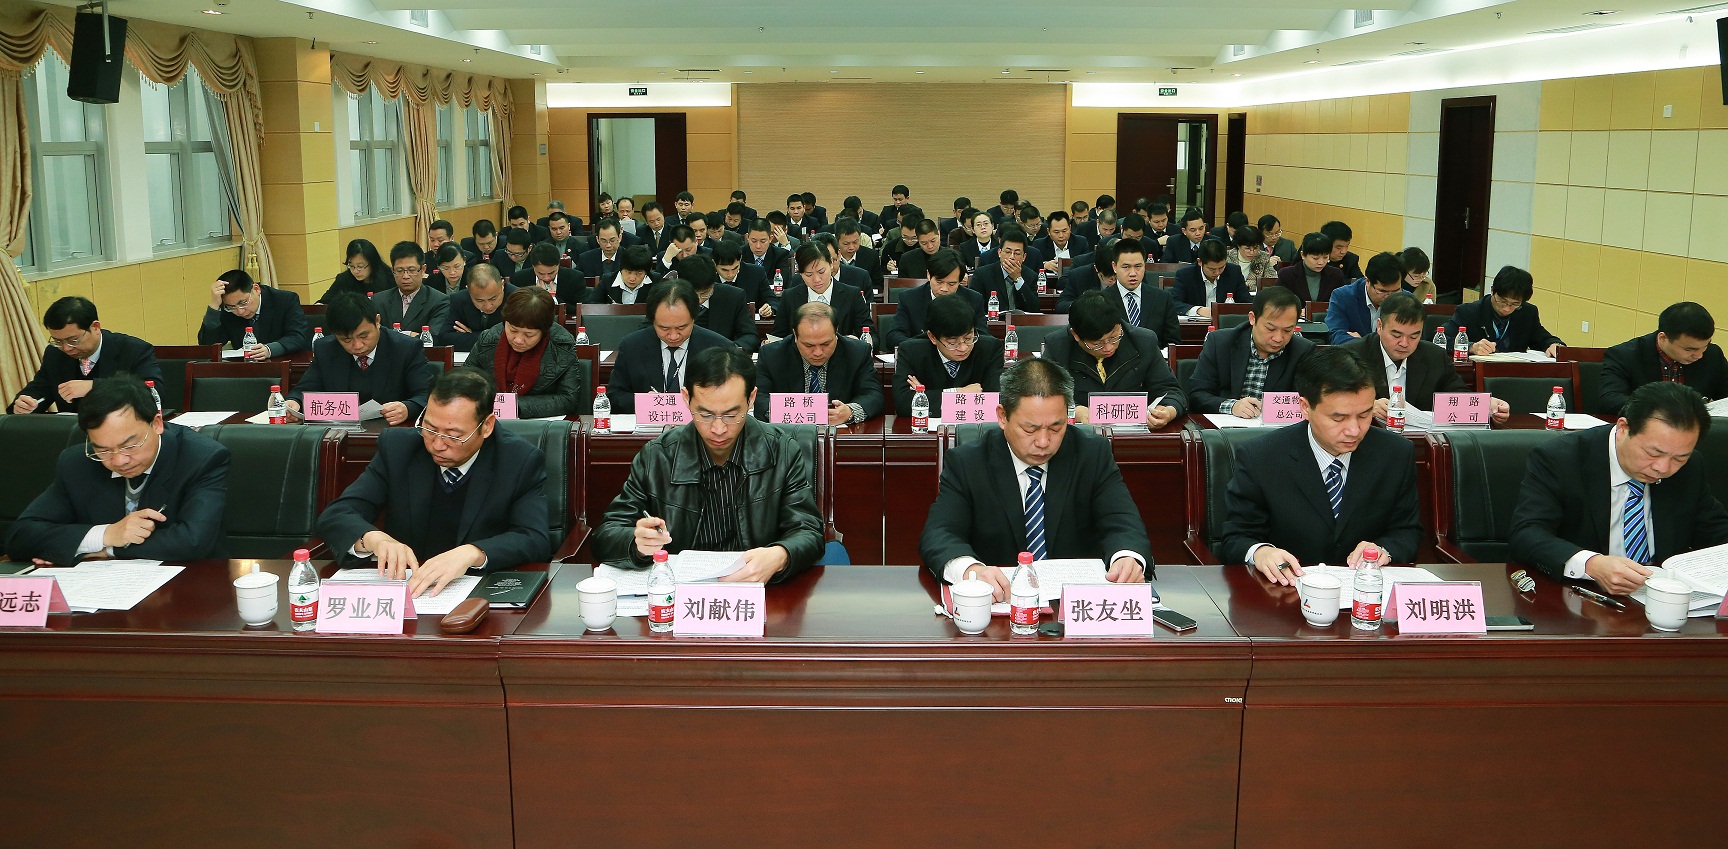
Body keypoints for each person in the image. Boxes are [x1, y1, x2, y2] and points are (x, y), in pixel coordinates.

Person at [918, 357, 1152, 600]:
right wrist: (971, 570)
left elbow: (1122, 521)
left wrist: (1127, 557)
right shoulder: (968, 463)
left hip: (1075, 606)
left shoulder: (1092, 455)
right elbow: (940, 533)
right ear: (1002, 416)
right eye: (1030, 429)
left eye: (1056, 428)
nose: (1043, 441)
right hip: (999, 603)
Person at [316, 369, 553, 598]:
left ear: (487, 426)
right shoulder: (399, 449)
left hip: (479, 596)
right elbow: (338, 514)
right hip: (409, 591)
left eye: (453, 435)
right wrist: (373, 539)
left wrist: (474, 553)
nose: (437, 445)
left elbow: (534, 538)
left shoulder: (519, 460)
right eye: (429, 429)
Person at [594, 347, 825, 581]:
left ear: (751, 399)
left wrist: (780, 555)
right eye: (705, 415)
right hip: (683, 589)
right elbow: (607, 534)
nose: (718, 428)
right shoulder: (657, 457)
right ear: (686, 398)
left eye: (731, 415)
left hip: (758, 587)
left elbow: (808, 531)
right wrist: (636, 543)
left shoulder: (782, 451)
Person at [1219, 347, 1424, 583]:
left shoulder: (1395, 453)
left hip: (1364, 588)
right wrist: (1261, 552)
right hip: (1286, 591)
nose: (1354, 430)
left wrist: (1383, 550)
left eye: (1364, 415)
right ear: (1305, 408)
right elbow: (1236, 537)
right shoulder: (1261, 456)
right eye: (1339, 418)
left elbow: (1407, 531)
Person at [1511, 382, 1728, 594]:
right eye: (1653, 453)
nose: (1662, 468)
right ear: (1623, 428)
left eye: (1679, 458)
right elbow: (1527, 533)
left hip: (1660, 594)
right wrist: (1591, 564)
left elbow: (1715, 530)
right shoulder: (1560, 459)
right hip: (1581, 594)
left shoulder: (1691, 467)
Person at [7, 375, 229, 565]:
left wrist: (108, 550)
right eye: (103, 450)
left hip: (188, 583)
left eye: (130, 445)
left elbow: (193, 541)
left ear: (156, 424)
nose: (119, 460)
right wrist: (106, 534)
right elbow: (21, 537)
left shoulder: (201, 458)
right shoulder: (77, 462)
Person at [1342, 293, 1510, 422]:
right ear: (1380, 326)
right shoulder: (1351, 355)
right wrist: (1366, 408)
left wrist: (1485, 406)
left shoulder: (1435, 356)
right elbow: (1333, 400)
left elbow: (1457, 395)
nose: (1404, 343)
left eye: (1414, 336)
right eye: (1396, 335)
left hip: (1422, 442)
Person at [286, 292, 435, 426]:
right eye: (346, 339)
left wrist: (408, 408)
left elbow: (426, 394)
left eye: (364, 336)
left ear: (377, 321)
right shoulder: (326, 349)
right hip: (339, 432)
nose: (357, 346)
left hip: (389, 431)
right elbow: (305, 389)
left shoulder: (406, 348)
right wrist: (294, 402)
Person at [1041, 291, 1186, 427]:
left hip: (1133, 435)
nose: (1108, 347)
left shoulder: (1143, 342)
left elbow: (1171, 391)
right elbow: (1044, 396)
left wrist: (1168, 410)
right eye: (1097, 344)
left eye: (1114, 337)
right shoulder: (1058, 346)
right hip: (1081, 435)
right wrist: (1076, 411)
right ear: (1076, 335)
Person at [12, 297, 162, 415]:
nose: (66, 348)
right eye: (58, 341)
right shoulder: (55, 354)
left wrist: (94, 387)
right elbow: (39, 390)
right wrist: (23, 404)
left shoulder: (133, 349)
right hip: (71, 435)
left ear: (95, 327)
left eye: (73, 340)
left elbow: (154, 393)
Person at [607, 280, 738, 413]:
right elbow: (614, 396)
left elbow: (735, 398)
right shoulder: (632, 346)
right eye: (664, 328)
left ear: (694, 318)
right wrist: (644, 401)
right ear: (652, 320)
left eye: (681, 327)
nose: (673, 336)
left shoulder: (719, 348)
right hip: (650, 423)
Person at [1189, 286, 1317, 418]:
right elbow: (1197, 395)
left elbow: (1308, 401)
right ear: (1252, 318)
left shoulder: (1303, 351)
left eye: (1287, 330)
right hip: (1226, 425)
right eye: (1270, 329)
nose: (1278, 338)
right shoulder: (1220, 343)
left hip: (1278, 428)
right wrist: (1232, 406)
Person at [755, 302, 884, 425]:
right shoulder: (772, 355)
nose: (818, 352)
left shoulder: (857, 352)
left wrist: (850, 412)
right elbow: (759, 399)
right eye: (809, 345)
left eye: (826, 344)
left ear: (836, 331)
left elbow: (873, 395)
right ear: (795, 335)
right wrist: (795, 414)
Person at [466, 288, 582, 419]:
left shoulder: (562, 346)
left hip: (538, 424)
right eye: (513, 330)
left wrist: (513, 406)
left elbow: (568, 400)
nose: (518, 340)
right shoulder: (488, 339)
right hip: (490, 419)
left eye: (529, 334)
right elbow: (464, 384)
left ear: (544, 331)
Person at [1599, 301, 1728, 416]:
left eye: (1705, 346)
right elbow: (1610, 399)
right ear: (1663, 338)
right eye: (1689, 349)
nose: (1699, 355)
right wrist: (1663, 410)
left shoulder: (1713, 354)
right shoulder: (1625, 355)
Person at [892, 294, 1005, 417]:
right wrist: (957, 393)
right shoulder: (911, 351)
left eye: (968, 338)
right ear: (932, 337)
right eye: (952, 343)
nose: (963, 348)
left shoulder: (990, 349)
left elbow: (995, 402)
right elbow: (903, 403)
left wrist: (925, 396)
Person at [1444, 266, 1564, 358]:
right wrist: (1471, 347)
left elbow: (1543, 338)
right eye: (1502, 301)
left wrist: (1554, 345)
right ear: (1492, 291)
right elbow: (1441, 339)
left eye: (1515, 304)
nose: (1506, 308)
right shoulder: (1468, 312)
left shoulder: (1527, 313)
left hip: (1513, 374)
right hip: (1478, 373)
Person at [195, 269, 311, 360]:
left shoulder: (285, 300)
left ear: (256, 289)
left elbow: (298, 337)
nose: (240, 311)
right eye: (232, 307)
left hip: (284, 364)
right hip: (245, 370)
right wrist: (214, 306)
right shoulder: (227, 308)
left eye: (243, 303)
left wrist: (270, 349)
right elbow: (208, 347)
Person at [887, 249, 988, 350]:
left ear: (960, 281)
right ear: (928, 275)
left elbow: (984, 337)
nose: (944, 289)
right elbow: (894, 336)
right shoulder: (909, 298)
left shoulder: (973, 299)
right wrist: (928, 349)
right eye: (939, 282)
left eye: (951, 284)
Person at [774, 242, 872, 339]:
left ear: (831, 264)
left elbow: (871, 336)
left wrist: (856, 342)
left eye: (821, 272)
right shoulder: (789, 297)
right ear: (801, 273)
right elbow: (778, 337)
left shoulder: (852, 295)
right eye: (809, 274)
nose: (817, 279)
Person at [1098, 238, 1180, 347]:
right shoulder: (1102, 301)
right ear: (1114, 267)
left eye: (1138, 266)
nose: (1133, 273)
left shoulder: (1163, 298)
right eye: (1126, 267)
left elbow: (1173, 342)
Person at [675, 253, 759, 352]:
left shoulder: (733, 296)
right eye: (693, 294)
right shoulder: (668, 300)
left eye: (705, 294)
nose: (699, 300)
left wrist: (727, 352)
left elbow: (750, 336)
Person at [373, 241, 450, 345]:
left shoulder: (439, 301)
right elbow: (372, 336)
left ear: (423, 269)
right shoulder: (378, 300)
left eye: (411, 270)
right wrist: (412, 334)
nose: (405, 276)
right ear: (392, 270)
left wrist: (394, 335)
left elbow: (432, 338)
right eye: (400, 270)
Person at [1324, 251, 1405, 344]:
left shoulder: (1407, 301)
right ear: (1368, 282)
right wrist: (1367, 345)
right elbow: (1335, 335)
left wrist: (1362, 342)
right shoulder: (1343, 296)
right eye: (1382, 291)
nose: (1389, 297)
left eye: (1395, 291)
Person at [969, 226, 1041, 315]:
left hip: (1021, 323)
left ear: (1024, 257)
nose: (1011, 257)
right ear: (999, 252)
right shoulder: (982, 275)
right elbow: (973, 308)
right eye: (1007, 252)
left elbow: (1034, 309)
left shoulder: (1031, 276)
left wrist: (1018, 279)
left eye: (1017, 253)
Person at [1171, 239, 1251, 318]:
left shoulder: (1234, 272)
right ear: (1200, 262)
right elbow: (1174, 303)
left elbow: (1247, 302)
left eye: (1221, 267)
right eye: (1212, 269)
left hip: (1226, 323)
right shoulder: (1185, 275)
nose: (1217, 272)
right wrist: (1198, 310)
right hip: (1196, 323)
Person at [446, 264, 517, 353]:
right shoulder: (458, 299)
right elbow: (445, 339)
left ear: (502, 284)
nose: (488, 306)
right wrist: (496, 337)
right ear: (468, 290)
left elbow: (519, 340)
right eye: (479, 300)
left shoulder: (518, 299)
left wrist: (471, 336)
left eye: (493, 298)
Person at [1275, 232, 1347, 304]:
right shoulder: (1286, 275)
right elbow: (1278, 303)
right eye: (1315, 258)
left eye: (1325, 257)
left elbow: (1343, 302)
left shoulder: (1336, 275)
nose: (1321, 262)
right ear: (1303, 255)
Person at [510, 242, 589, 307]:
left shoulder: (575, 278)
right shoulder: (519, 278)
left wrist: (552, 299)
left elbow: (580, 309)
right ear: (533, 266)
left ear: (558, 265)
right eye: (541, 273)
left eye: (551, 273)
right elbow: (515, 307)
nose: (546, 278)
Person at [712, 239, 775, 319]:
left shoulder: (756, 273)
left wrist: (769, 308)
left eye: (735, 268)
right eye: (724, 270)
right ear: (714, 263)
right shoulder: (707, 276)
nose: (730, 274)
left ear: (740, 259)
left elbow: (772, 300)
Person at [319, 239, 391, 303]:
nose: (355, 271)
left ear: (373, 263)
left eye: (360, 266)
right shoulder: (344, 279)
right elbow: (324, 302)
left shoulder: (390, 277)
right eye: (351, 266)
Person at [589, 245, 658, 305]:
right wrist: (610, 309)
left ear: (646, 272)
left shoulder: (656, 281)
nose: (632, 278)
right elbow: (592, 304)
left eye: (639, 273)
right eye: (628, 272)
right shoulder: (607, 280)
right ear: (621, 269)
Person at [1035, 210, 1089, 275]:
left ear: (1070, 228)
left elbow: (1087, 265)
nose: (1061, 236)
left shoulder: (1081, 242)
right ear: (1048, 231)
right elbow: (1032, 267)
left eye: (1064, 231)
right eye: (1056, 232)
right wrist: (1044, 265)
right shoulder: (1039, 245)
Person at [1227, 226, 1278, 290]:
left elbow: (1271, 280)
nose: (1252, 252)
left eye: (1255, 248)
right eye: (1247, 249)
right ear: (1238, 245)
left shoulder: (1263, 257)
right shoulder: (1227, 257)